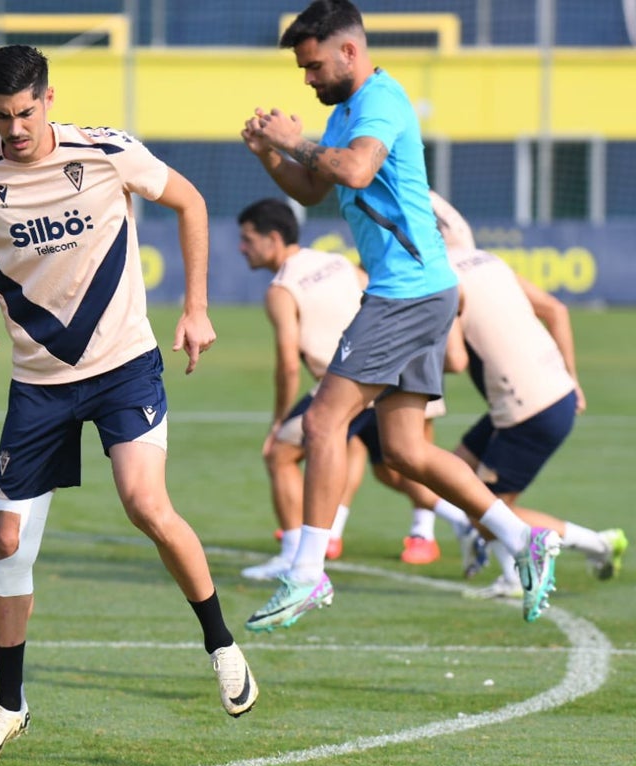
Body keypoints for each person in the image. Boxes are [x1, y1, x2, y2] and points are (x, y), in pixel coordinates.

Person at [0, 44, 257, 766]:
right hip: (37, 384)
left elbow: (191, 201)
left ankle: (220, 643)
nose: (16, 129)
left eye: (26, 113)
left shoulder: (108, 152)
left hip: (124, 367)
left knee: (146, 504)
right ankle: (8, 706)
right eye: (3, 117)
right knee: (5, 545)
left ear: (49, 99)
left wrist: (197, 308)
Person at [240, 0, 560, 631]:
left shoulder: (381, 102)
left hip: (404, 292)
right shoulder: (346, 113)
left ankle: (305, 573)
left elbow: (355, 169)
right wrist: (268, 154)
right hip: (416, 290)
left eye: (313, 66)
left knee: (325, 424)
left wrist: (291, 138)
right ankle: (522, 539)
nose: (307, 79)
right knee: (406, 450)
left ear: (349, 52)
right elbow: (313, 189)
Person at [237, 197, 467, 579]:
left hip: (347, 381)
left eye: (247, 239)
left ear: (273, 239)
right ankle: (468, 521)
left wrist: (278, 420)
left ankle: (293, 556)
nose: (242, 247)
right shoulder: (337, 261)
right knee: (396, 470)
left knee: (280, 454)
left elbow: (288, 364)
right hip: (392, 372)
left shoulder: (282, 288)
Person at [441, 246, 628, 597]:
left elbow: (455, 360)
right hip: (547, 392)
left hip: (526, 406)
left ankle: (596, 545)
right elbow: (556, 309)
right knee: (457, 469)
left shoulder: (439, 275)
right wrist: (572, 379)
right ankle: (509, 566)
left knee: (486, 508)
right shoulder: (485, 259)